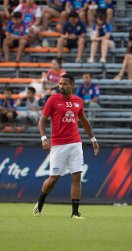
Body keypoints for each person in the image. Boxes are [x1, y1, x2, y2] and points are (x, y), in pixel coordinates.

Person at [33, 73, 99, 219]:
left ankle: (75, 212)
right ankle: (41, 200)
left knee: (76, 175)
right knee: (53, 179)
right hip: (58, 145)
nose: (61, 86)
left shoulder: (78, 101)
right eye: (60, 84)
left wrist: (93, 139)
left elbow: (84, 121)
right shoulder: (53, 100)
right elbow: (42, 120)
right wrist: (44, 138)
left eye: (64, 84)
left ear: (72, 85)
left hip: (75, 143)